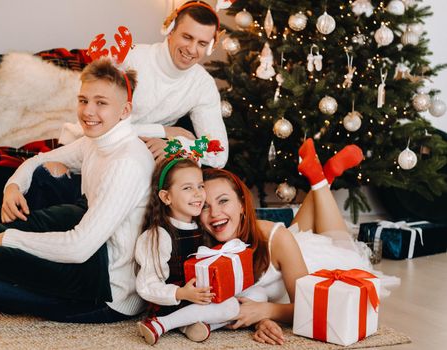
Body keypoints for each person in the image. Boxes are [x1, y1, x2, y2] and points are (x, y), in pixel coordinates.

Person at [0, 58, 155, 323]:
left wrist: (8, 240)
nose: (88, 111)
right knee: (41, 175)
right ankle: (5, 276)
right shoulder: (98, 141)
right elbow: (37, 161)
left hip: (105, 292)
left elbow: (79, 247)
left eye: (101, 102)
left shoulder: (125, 162)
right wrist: (12, 187)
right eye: (83, 100)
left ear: (125, 111)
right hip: (88, 262)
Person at [199, 138, 383, 345]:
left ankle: (322, 180)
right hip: (291, 243)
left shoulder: (274, 238)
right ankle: (323, 178)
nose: (214, 213)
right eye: (204, 206)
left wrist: (266, 310)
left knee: (337, 242)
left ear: (242, 204)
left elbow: (310, 307)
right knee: (294, 233)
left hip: (310, 264)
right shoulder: (200, 244)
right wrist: (261, 321)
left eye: (223, 201)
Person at [59, 0, 228, 168]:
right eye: (187, 37)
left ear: (210, 47)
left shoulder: (203, 85)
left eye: (202, 43)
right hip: (85, 147)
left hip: (133, 157)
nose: (192, 49)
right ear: (170, 31)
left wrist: (173, 147)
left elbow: (218, 151)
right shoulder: (129, 59)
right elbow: (95, 125)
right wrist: (163, 131)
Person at [134, 157, 267, 345]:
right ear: (166, 197)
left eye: (200, 186)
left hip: (200, 298)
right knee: (230, 306)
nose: (198, 194)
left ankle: (199, 324)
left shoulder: (200, 226)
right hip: (173, 303)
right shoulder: (158, 236)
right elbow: (146, 285)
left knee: (259, 294)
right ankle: (161, 324)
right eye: (187, 188)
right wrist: (181, 293)